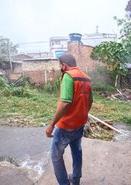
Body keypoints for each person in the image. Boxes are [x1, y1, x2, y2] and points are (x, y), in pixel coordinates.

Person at [46, 53, 93, 185]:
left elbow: (65, 102)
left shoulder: (68, 76)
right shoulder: (86, 78)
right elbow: (90, 102)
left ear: (64, 65)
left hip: (65, 127)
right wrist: (83, 115)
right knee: (76, 151)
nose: (59, 67)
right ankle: (76, 179)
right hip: (79, 125)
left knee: (56, 156)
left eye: (59, 65)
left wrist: (51, 125)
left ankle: (64, 183)